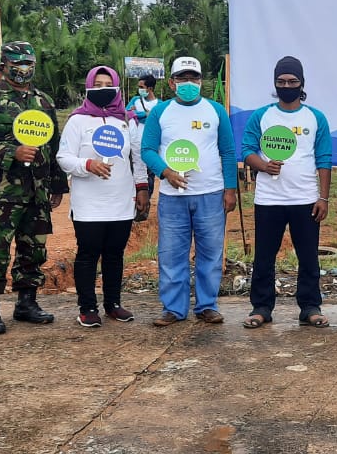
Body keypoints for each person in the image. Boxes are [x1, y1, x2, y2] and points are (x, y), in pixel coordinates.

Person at [0, 41, 69, 335]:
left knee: (33, 248)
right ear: (5, 65)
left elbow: (54, 145)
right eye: (17, 64)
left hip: (37, 189)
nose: (23, 70)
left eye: (28, 64)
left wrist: (57, 184)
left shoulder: (43, 101)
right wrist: (12, 152)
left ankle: (27, 303)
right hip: (2, 192)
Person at [141, 56, 238, 327]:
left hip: (211, 193)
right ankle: (173, 308)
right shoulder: (160, 113)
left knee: (210, 253)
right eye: (182, 78)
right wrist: (165, 172)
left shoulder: (216, 111)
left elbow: (228, 151)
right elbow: (147, 150)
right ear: (172, 83)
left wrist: (230, 189)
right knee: (171, 254)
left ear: (201, 81)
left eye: (193, 78)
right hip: (173, 198)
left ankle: (207, 305)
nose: (188, 83)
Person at [240, 56, 333, 329]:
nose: (286, 85)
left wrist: (323, 197)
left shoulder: (315, 117)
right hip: (269, 200)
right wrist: (263, 166)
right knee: (264, 256)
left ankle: (310, 307)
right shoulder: (262, 116)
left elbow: (324, 159)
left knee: (308, 256)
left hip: (305, 199)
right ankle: (261, 307)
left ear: (302, 83)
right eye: (281, 82)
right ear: (274, 84)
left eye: (292, 81)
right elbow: (246, 150)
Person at [56, 65, 150, 328]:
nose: (102, 89)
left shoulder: (127, 120)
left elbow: (138, 157)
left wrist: (142, 187)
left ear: (117, 87)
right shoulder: (78, 120)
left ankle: (113, 304)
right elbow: (64, 158)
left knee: (114, 254)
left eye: (107, 83)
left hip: (121, 200)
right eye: (96, 84)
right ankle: (87, 307)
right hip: (89, 203)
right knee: (87, 253)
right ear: (88, 86)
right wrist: (87, 165)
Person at [127, 73, 161, 204]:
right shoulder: (135, 100)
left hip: (153, 143)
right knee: (135, 170)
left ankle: (146, 201)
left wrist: (137, 114)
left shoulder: (159, 104)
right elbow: (126, 113)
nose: (139, 89)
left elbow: (157, 118)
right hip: (135, 142)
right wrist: (144, 114)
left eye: (142, 87)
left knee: (150, 173)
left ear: (150, 88)